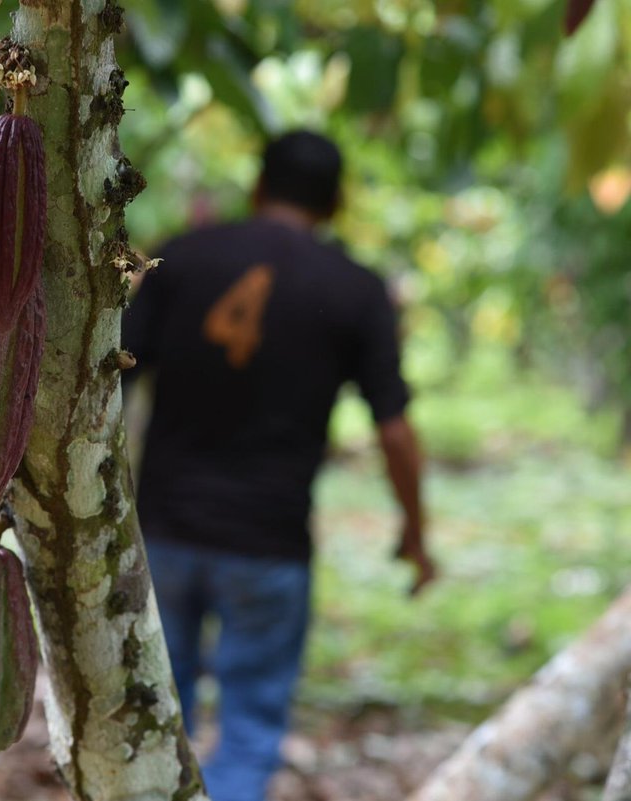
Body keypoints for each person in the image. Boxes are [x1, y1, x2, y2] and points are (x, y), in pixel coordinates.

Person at [122, 130, 435, 801]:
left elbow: (108, 378)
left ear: (258, 185)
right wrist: (415, 532)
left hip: (165, 530)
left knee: (154, 717)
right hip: (270, 542)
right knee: (250, 727)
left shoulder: (184, 256)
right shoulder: (357, 290)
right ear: (336, 203)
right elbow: (395, 430)